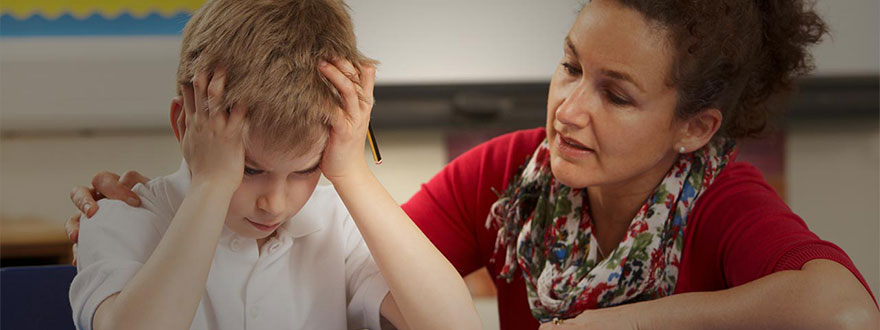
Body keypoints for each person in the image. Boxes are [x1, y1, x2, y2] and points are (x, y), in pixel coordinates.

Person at [69, 0, 879, 329]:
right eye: (569, 68)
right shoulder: (508, 176)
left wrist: (604, 327)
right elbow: (412, 293)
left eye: (617, 95)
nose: (569, 108)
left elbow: (843, 312)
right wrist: (200, 191)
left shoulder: (721, 200)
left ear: (695, 127)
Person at [66, 0, 481, 329]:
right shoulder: (119, 218)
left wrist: (352, 173)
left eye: (305, 169)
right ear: (185, 123)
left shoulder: (337, 227)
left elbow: (456, 325)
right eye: (248, 170)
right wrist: (211, 186)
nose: (274, 204)